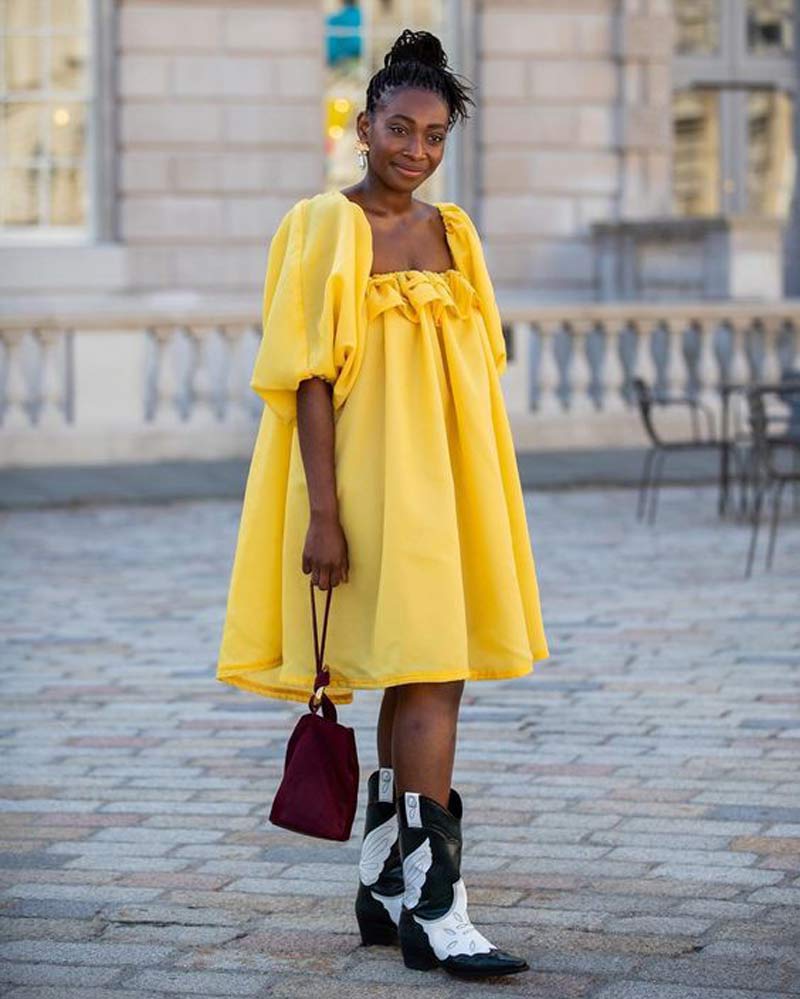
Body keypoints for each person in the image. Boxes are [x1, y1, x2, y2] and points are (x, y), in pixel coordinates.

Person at [217, 28, 549, 979]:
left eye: (435, 135)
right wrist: (324, 514)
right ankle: (441, 910)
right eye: (398, 128)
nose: (416, 150)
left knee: (415, 669)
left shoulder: (458, 233)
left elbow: (479, 366)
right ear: (362, 127)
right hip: (367, 480)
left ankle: (385, 879)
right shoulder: (324, 225)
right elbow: (309, 378)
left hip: (450, 475)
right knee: (436, 670)